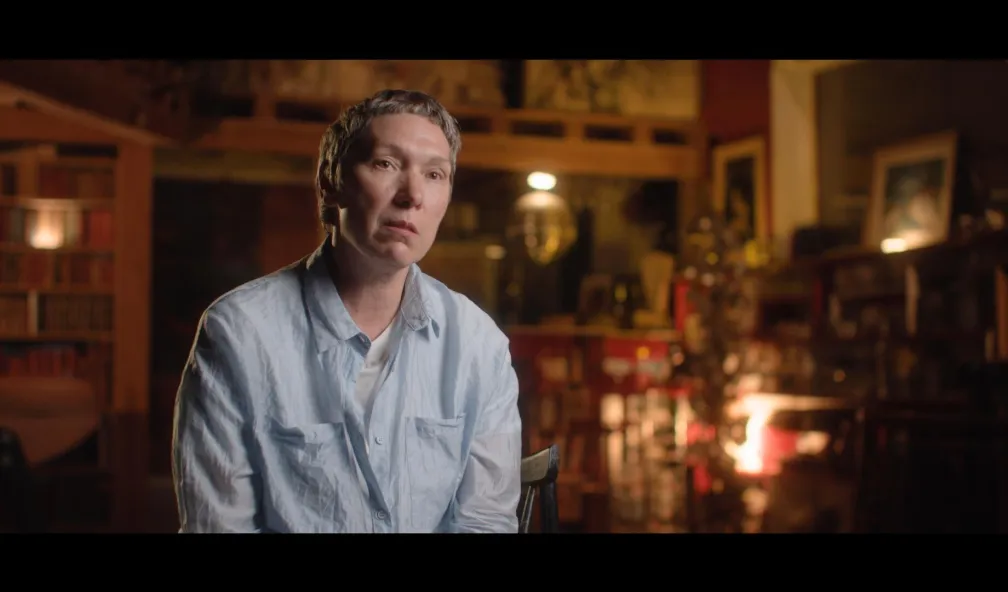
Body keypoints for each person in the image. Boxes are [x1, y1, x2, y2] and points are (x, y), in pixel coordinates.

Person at [172, 89, 522, 533]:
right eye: (386, 164)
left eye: (435, 174)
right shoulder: (240, 333)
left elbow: (486, 522)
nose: (412, 195)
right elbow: (219, 525)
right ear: (329, 181)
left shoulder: (478, 345)